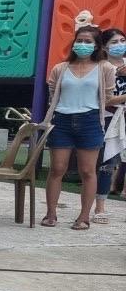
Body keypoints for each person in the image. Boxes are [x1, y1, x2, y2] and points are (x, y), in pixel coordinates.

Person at [40, 25, 117, 230]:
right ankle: (50, 213)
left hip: (90, 120)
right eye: (79, 41)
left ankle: (84, 217)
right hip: (62, 120)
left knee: (87, 171)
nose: (83, 45)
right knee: (57, 168)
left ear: (96, 45)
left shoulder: (105, 68)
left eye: (88, 41)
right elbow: (53, 94)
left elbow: (107, 96)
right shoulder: (60, 68)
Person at [93, 27, 126, 222]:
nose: (119, 45)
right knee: (108, 163)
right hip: (109, 118)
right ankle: (100, 207)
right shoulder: (102, 68)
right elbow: (104, 99)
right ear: (105, 47)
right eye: (114, 42)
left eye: (122, 41)